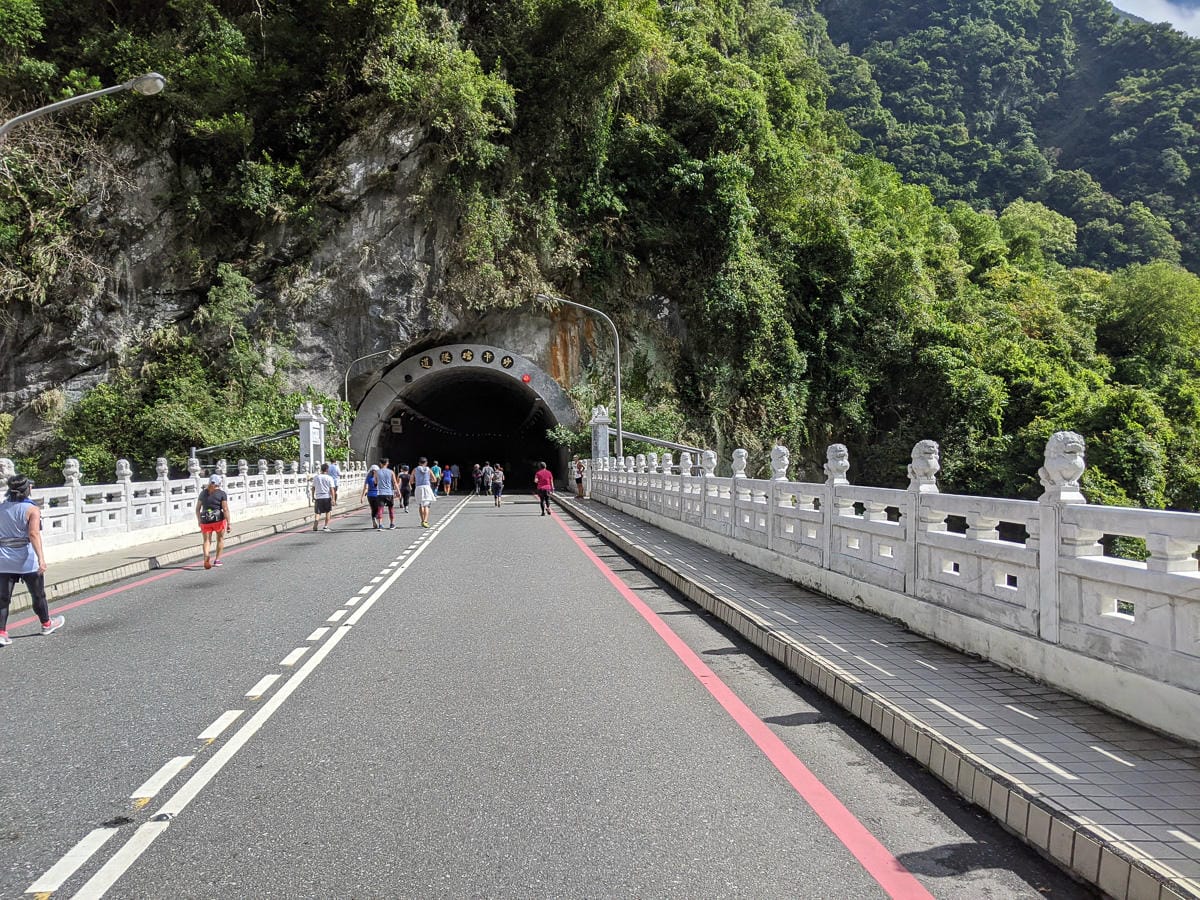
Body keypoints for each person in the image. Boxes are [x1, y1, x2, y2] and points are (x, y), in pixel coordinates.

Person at [0, 474, 62, 646]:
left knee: (3, 598)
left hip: (4, 558)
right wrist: (41, 558)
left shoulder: (1, 508)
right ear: (27, 489)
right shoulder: (32, 509)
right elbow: (33, 534)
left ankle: (2, 632)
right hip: (26, 558)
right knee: (37, 594)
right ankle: (47, 624)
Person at [196, 474, 232, 569]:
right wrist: (228, 523)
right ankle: (217, 560)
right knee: (220, 539)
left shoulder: (203, 493)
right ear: (219, 483)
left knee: (206, 540)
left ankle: (206, 556)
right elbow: (225, 509)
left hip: (205, 520)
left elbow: (197, 509)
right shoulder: (221, 493)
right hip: (218, 520)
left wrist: (199, 520)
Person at [310, 463, 335, 531]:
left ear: (321, 469)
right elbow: (332, 489)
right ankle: (326, 526)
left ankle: (316, 523)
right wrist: (333, 499)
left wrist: (312, 496)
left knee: (318, 512)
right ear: (327, 469)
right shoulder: (329, 478)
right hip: (326, 496)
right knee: (328, 512)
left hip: (318, 497)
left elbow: (313, 488)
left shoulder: (316, 477)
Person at [413, 457, 436, 528]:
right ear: (426, 463)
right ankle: (425, 521)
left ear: (419, 463)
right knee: (426, 505)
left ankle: (422, 520)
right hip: (426, 487)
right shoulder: (429, 469)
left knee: (421, 504)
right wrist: (429, 480)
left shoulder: (415, 469)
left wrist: (415, 481)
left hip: (418, 487)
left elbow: (411, 480)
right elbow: (434, 479)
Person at [376, 459, 397, 529]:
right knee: (390, 509)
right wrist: (398, 492)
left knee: (380, 509)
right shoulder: (391, 472)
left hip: (380, 493)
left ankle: (380, 525)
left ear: (380, 463)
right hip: (389, 493)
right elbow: (395, 482)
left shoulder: (377, 472)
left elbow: (375, 482)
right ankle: (392, 524)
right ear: (387, 463)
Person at [360, 464, 382, 529]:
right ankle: (378, 520)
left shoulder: (368, 477)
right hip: (377, 494)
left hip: (370, 495)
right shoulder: (379, 477)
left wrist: (362, 497)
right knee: (378, 508)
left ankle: (373, 519)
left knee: (373, 508)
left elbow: (365, 487)